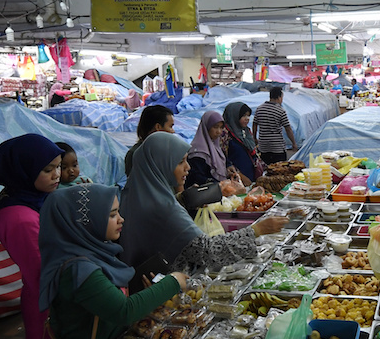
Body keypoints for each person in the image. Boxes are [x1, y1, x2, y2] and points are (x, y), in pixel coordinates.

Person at [38, 184, 188, 339]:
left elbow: (109, 301)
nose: (121, 219)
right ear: (86, 223)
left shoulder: (96, 253)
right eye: (112, 215)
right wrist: (173, 282)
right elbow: (124, 311)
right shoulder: (79, 269)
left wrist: (145, 294)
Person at [119, 132, 287, 274]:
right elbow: (208, 251)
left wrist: (183, 200)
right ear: (161, 165)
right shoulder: (164, 208)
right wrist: (257, 230)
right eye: (180, 162)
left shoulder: (132, 195)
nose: (188, 168)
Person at [0, 134, 63, 339]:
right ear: (23, 170)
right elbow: (41, 274)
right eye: (48, 170)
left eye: (58, 167)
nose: (57, 175)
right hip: (52, 306)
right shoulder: (20, 217)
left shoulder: (35, 199)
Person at [185, 111, 246, 192]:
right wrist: (220, 184)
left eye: (221, 127)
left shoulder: (215, 146)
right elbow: (198, 177)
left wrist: (228, 167)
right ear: (207, 127)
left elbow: (222, 161)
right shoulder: (198, 151)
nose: (219, 131)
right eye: (215, 127)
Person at [124, 105, 175, 176]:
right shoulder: (136, 155)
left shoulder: (166, 151)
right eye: (170, 126)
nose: (173, 131)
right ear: (158, 127)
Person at [253, 87, 296, 166]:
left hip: (263, 147)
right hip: (277, 148)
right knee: (279, 171)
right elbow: (288, 129)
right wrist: (293, 143)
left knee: (266, 170)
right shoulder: (281, 111)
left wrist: (255, 138)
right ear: (279, 97)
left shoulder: (259, 109)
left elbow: (255, 124)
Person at [223, 101, 262, 183]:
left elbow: (253, 153)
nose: (247, 118)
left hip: (251, 175)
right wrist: (240, 175)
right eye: (243, 115)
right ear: (234, 116)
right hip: (235, 179)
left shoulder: (246, 131)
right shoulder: (225, 134)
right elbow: (223, 158)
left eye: (248, 115)